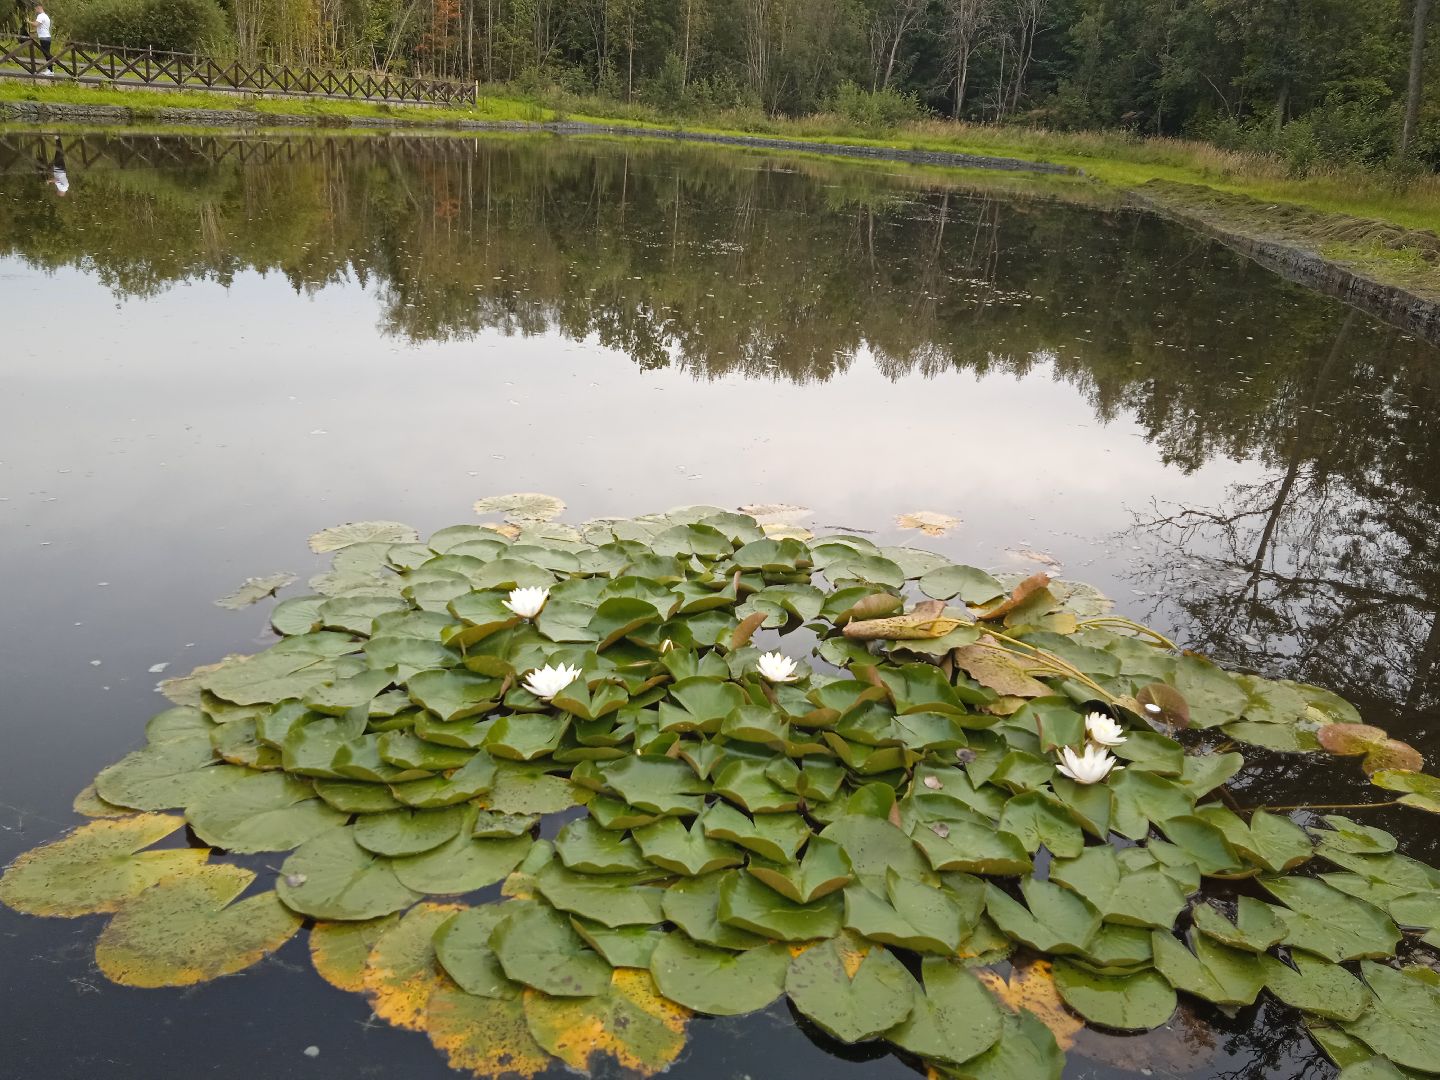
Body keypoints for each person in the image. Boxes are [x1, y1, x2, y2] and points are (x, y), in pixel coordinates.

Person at [27, 4, 52, 75]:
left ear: (39, 8)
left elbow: (35, 24)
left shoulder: (40, 16)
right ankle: (50, 70)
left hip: (44, 37)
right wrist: (33, 32)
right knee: (47, 54)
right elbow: (42, 27)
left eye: (36, 9)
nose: (35, 11)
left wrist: (28, 21)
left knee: (47, 54)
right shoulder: (46, 16)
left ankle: (50, 70)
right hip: (47, 37)